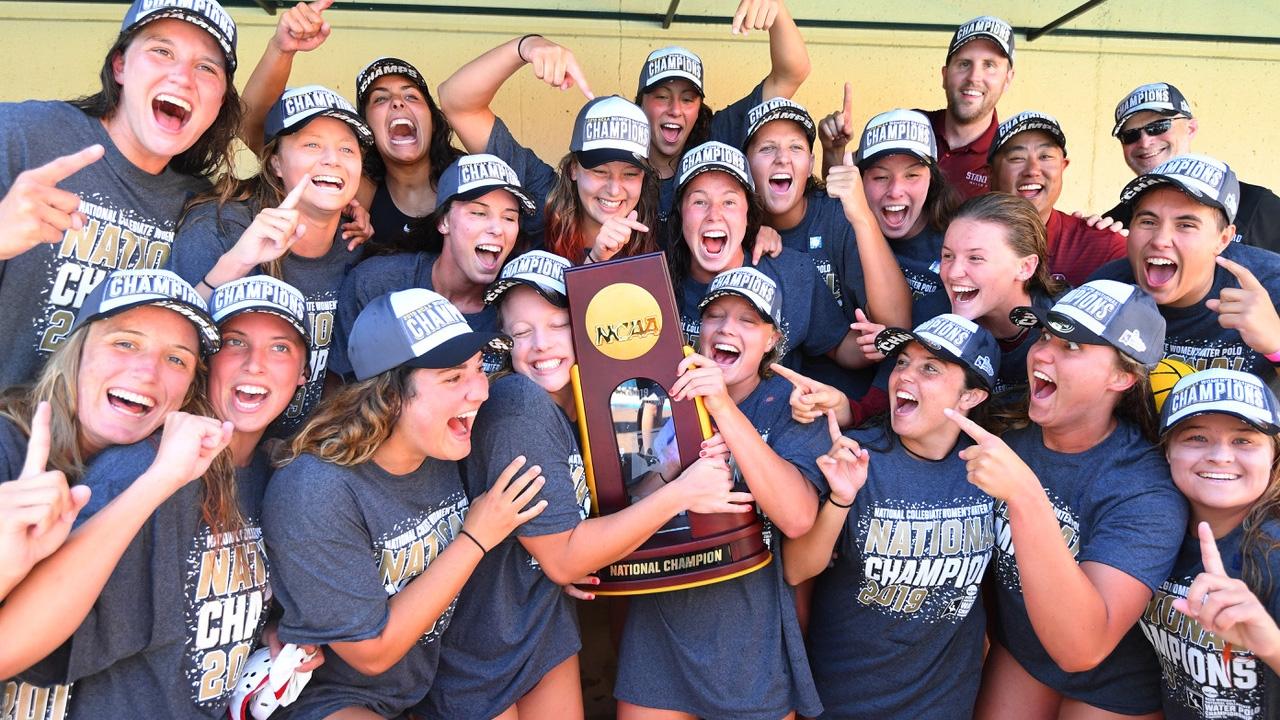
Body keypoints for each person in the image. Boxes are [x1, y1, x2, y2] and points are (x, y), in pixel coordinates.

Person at [421, 251, 752, 720]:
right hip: (484, 649)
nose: (541, 345)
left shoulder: (586, 408)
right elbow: (563, 559)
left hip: (540, 627)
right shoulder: (520, 404)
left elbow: (584, 534)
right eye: (521, 332)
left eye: (558, 325)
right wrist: (683, 492)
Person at [8, 276, 325, 718]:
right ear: (207, 368)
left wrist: (274, 630)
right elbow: (31, 649)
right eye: (234, 343)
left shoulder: (279, 476)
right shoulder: (144, 468)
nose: (255, 365)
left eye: (280, 348)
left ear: (304, 373)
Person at [262, 287, 546, 718]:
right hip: (331, 697)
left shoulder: (440, 445)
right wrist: (475, 538)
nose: (480, 392)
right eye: (453, 378)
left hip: (425, 685)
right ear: (389, 397)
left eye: (478, 368)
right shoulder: (315, 490)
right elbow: (370, 653)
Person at [0, 269, 225, 714]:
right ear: (77, 350)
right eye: (125, 343)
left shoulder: (158, 468)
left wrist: (161, 479)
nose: (147, 371)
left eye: (176, 359)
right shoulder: (6, 444)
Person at [963, 279, 1187, 719]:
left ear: (1122, 376)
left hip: (1111, 680)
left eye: (1071, 346)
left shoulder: (1144, 487)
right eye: (1045, 336)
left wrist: (1025, 496)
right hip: (1024, 650)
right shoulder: (1007, 424)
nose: (1043, 354)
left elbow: (1082, 648)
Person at [614, 266, 828, 719]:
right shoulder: (654, 393)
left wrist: (723, 408)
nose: (727, 328)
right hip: (660, 627)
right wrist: (674, 476)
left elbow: (797, 518)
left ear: (772, 340)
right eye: (716, 315)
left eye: (748, 320)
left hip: (749, 643)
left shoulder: (793, 404)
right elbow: (624, 502)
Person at [0, 0, 239, 387]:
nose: (182, 77)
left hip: (114, 420)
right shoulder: (21, 135)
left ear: (220, 101)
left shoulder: (200, 206)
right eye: (162, 51)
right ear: (120, 65)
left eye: (206, 68)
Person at [784, 313, 999, 718]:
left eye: (930, 368)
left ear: (971, 397)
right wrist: (841, 499)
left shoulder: (991, 470)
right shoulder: (858, 457)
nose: (904, 376)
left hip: (945, 705)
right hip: (846, 703)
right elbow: (796, 570)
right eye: (901, 362)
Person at [171, 84, 372, 434]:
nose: (332, 160)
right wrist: (239, 260)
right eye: (312, 145)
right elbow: (171, 346)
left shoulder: (356, 247)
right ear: (276, 162)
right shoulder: (219, 228)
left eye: (346, 149)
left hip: (301, 449)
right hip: (208, 438)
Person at [236, 1, 460, 249]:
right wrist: (281, 50)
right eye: (380, 99)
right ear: (364, 131)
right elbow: (252, 126)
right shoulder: (355, 185)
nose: (397, 102)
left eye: (411, 96)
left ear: (433, 121)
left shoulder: (466, 174)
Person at [742, 96, 910, 398]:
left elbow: (896, 325)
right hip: (769, 399)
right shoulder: (731, 226)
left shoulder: (836, 215)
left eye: (795, 148)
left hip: (848, 395)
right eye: (767, 148)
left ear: (810, 165)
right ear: (745, 164)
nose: (782, 159)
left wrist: (862, 217)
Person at [439, 38, 659, 262]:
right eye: (600, 171)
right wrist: (526, 46)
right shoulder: (544, 196)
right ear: (573, 169)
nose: (614, 189)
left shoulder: (657, 225)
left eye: (630, 174)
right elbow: (458, 105)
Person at [1139, 368, 1280, 717]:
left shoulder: (1275, 554)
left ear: (1273, 455)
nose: (1220, 455)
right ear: (1167, 450)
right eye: (1197, 437)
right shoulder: (1150, 533)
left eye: (1244, 440)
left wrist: (1270, 644)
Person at [667, 141, 867, 372]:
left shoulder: (793, 273)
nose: (714, 215)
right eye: (699, 202)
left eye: (729, 202)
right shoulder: (659, 279)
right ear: (681, 211)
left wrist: (877, 345)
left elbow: (839, 346)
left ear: (748, 213)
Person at [334, 153, 535, 377]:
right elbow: (340, 390)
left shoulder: (516, 308)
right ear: (443, 221)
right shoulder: (375, 283)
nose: (497, 229)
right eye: (479, 213)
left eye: (509, 218)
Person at [1091, 154, 1280, 381]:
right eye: (1148, 222)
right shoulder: (1108, 288)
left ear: (1223, 239)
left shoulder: (1271, 285)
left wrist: (1276, 346)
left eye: (1186, 225)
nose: (1160, 240)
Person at [634, 0, 811, 220]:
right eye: (662, 97)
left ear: (699, 108)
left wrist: (778, 10)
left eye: (688, 99)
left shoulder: (715, 136)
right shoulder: (620, 151)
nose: (675, 110)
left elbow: (791, 74)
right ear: (640, 103)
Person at [1103, 83, 1280, 252]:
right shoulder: (1113, 224)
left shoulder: (1256, 205)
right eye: (1130, 135)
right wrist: (1097, 239)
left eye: (1158, 127)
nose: (1145, 142)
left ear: (1191, 128)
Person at [987, 111, 1126, 287]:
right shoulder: (963, 242)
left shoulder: (1102, 246)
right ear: (990, 173)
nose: (1032, 170)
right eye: (1017, 158)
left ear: (1063, 166)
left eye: (1045, 157)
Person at [917, 16, 1015, 198]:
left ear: (1008, 79)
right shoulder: (908, 126)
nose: (974, 77)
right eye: (964, 64)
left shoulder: (1010, 159)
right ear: (945, 75)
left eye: (989, 65)